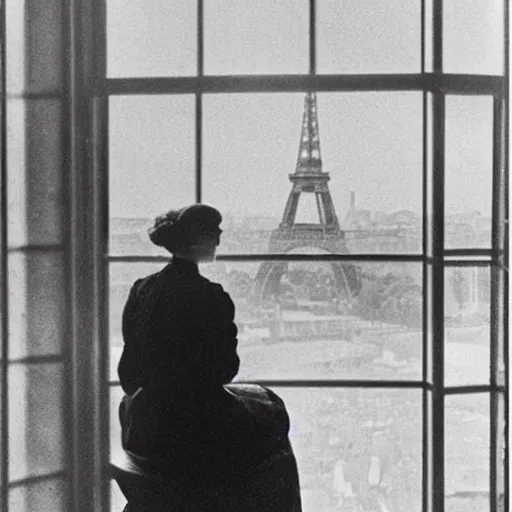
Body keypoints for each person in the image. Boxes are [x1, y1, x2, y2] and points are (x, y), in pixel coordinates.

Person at [117, 204, 302, 511]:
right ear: (197, 239)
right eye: (214, 230)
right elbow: (226, 369)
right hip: (196, 424)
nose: (220, 235)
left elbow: (128, 374)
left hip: (146, 423)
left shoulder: (141, 290)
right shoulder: (211, 297)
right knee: (274, 425)